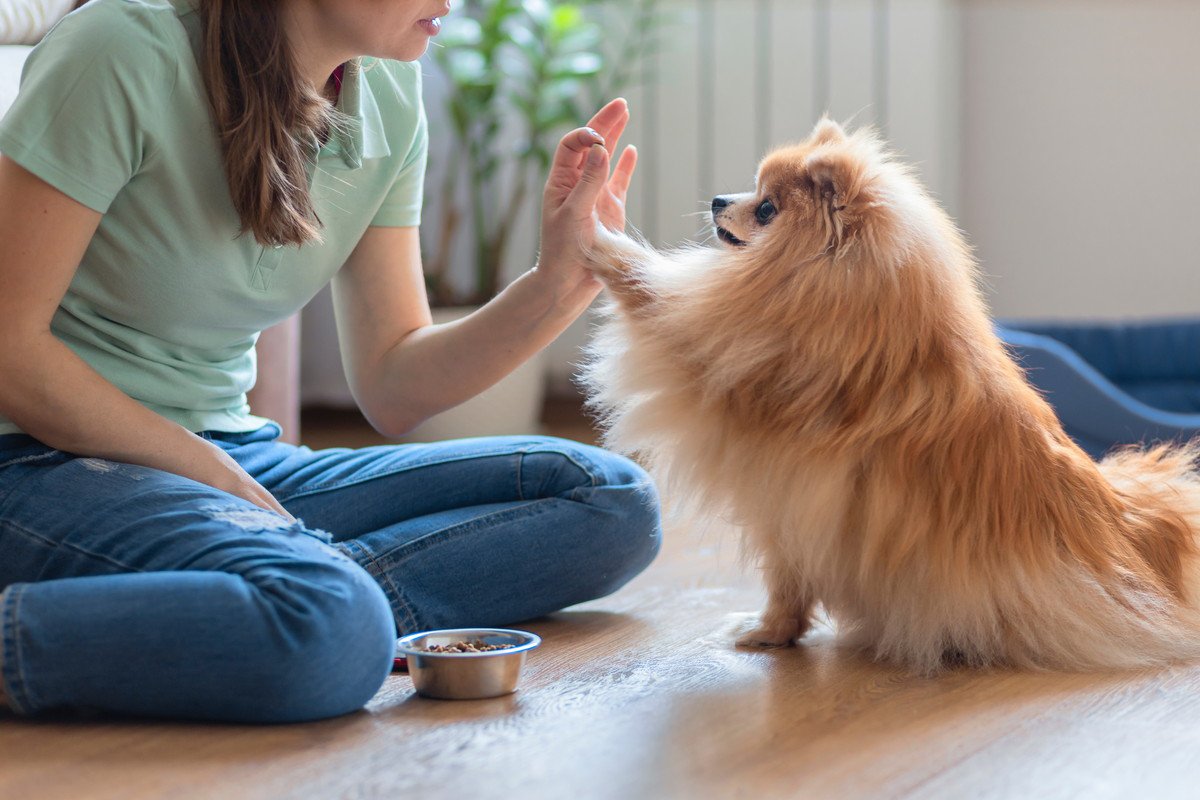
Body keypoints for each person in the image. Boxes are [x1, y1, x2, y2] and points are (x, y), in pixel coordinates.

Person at [0, 0, 660, 723]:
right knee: (328, 622)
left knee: (606, 497)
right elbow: (10, 353)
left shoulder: (387, 92)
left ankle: (278, 589)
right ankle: (305, 599)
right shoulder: (122, 49)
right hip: (39, 461)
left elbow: (394, 383)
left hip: (230, 459)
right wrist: (209, 473)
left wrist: (557, 282)